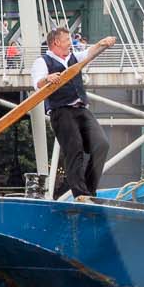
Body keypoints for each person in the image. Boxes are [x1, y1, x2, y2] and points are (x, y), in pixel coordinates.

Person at [32, 26, 109, 199]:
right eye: (67, 40)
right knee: (74, 148)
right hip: (61, 111)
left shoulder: (74, 57)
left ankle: (90, 189)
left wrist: (102, 43)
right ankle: (80, 193)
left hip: (80, 108)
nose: (70, 44)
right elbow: (37, 82)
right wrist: (48, 79)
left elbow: (90, 52)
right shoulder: (42, 62)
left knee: (102, 144)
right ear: (56, 42)